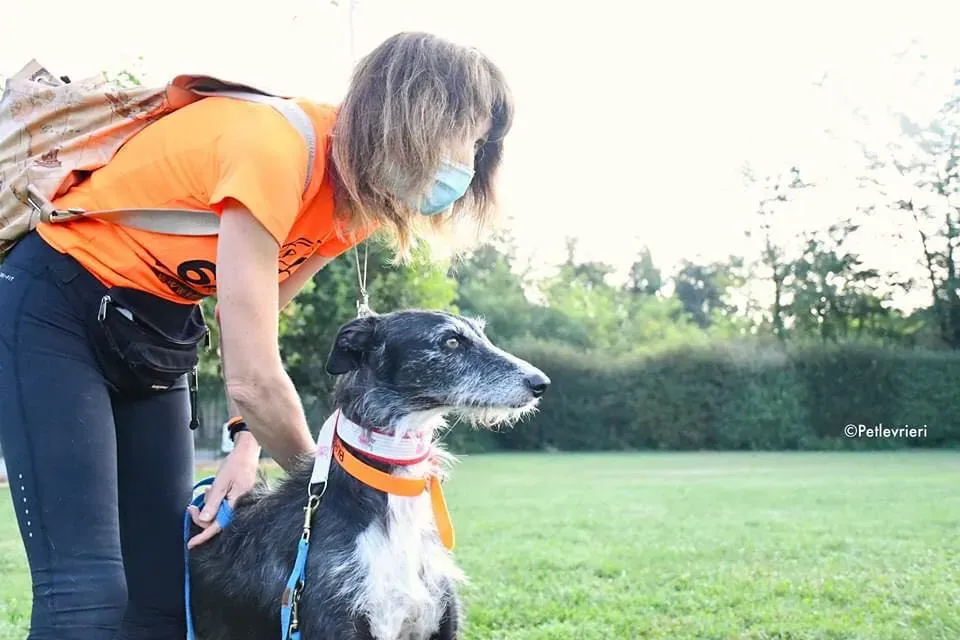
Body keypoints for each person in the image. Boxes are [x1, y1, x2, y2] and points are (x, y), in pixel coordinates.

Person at [0, 31, 513, 640]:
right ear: (418, 115)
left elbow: (255, 328)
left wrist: (245, 444)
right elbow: (251, 377)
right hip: (51, 306)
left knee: (167, 591)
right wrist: (332, 491)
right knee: (87, 594)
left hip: (155, 334)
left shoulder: (356, 205)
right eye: (469, 137)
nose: (471, 161)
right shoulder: (275, 147)